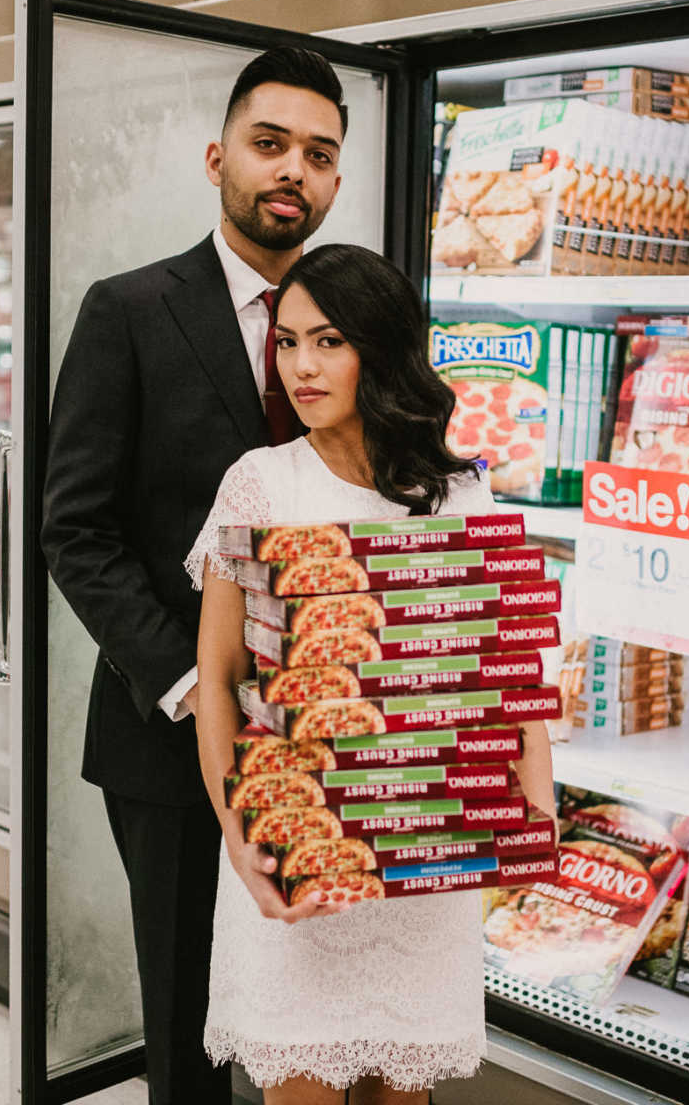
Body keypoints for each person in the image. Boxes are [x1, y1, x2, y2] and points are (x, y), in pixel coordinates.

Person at [42, 47, 349, 1104]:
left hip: (335, 731)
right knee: (188, 1029)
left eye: (318, 155)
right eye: (270, 145)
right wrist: (190, 684)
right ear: (218, 156)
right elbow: (74, 530)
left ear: (337, 181)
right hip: (168, 735)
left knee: (316, 1008)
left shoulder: (356, 323)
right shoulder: (125, 311)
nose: (291, 173)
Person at [185, 244, 556, 1104]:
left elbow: (504, 672)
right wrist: (241, 840)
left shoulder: (464, 494)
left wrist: (533, 809)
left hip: (425, 866)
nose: (301, 367)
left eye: (328, 341)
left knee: (405, 1095)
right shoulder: (260, 483)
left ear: (381, 350)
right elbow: (217, 678)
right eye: (286, 343)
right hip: (300, 850)